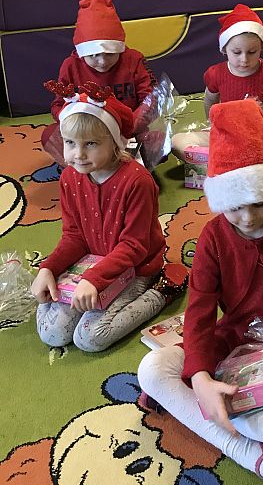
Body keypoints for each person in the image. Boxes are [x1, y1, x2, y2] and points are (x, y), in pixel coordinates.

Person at [138, 100, 263, 485]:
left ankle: (200, 414)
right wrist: (200, 376)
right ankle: (253, 453)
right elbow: (199, 310)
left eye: (259, 203)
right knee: (151, 368)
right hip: (232, 344)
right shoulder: (213, 237)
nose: (247, 218)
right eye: (233, 207)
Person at [31, 89, 168, 352]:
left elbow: (135, 246)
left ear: (115, 142)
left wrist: (94, 278)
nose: (78, 154)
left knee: (90, 338)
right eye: (70, 143)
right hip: (92, 263)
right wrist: (48, 268)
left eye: (91, 144)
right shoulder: (70, 177)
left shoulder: (137, 181)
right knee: (52, 333)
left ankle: (161, 292)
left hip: (138, 267)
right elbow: (74, 236)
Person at [40, 0, 156, 167]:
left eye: (110, 54)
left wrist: (130, 124)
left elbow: (150, 98)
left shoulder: (134, 60)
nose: (102, 62)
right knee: (49, 136)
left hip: (128, 132)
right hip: (86, 136)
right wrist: (72, 119)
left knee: (157, 139)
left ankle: (125, 165)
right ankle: (86, 165)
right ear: (82, 53)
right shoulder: (71, 65)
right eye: (93, 55)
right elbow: (58, 104)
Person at [171, 5, 263, 160]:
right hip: (226, 134)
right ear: (224, 49)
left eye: (252, 52)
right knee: (176, 141)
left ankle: (226, 159)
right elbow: (209, 101)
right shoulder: (216, 74)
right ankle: (232, 159)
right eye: (236, 52)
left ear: (261, 48)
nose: (244, 59)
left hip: (262, 136)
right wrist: (213, 125)